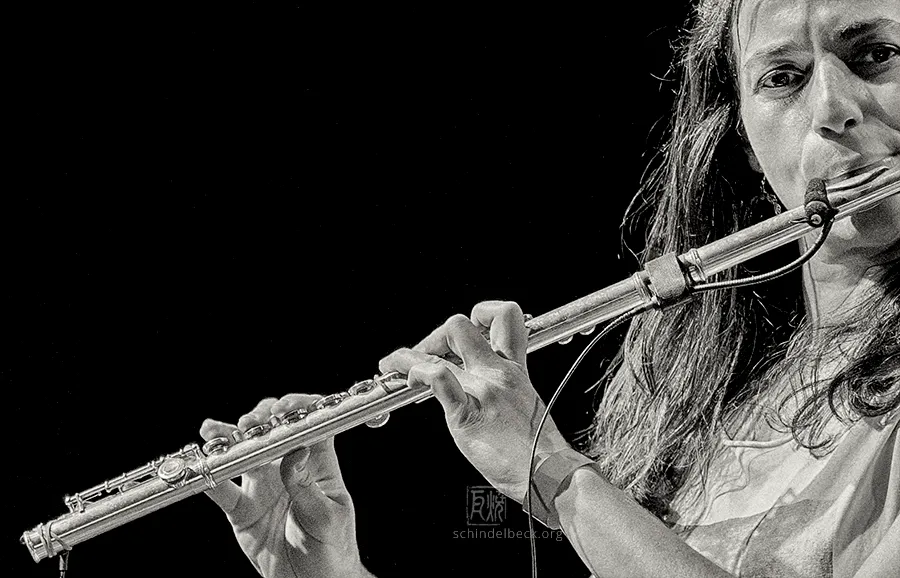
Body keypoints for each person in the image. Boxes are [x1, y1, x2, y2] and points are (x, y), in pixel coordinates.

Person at [199, 0, 900, 575]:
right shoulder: (730, 399)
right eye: (783, 76)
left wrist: (553, 470)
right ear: (743, 138)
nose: (832, 107)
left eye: (876, 54)